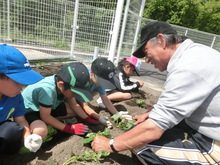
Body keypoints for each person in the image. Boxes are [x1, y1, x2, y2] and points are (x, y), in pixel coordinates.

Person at [91, 21, 220, 164]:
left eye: (146, 52)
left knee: (138, 142)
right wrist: (150, 113)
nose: (146, 60)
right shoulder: (196, 54)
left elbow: (152, 131)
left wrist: (110, 144)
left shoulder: (188, 67)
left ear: (161, 41)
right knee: (138, 133)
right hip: (207, 131)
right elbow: (178, 102)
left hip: (214, 144)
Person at [22, 62, 99, 140]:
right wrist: (69, 129)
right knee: (40, 131)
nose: (76, 95)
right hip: (31, 111)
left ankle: (52, 123)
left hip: (47, 107)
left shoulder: (65, 85)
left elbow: (74, 105)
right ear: (60, 84)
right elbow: (45, 116)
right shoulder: (47, 90)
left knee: (74, 111)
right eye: (75, 92)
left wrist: (87, 119)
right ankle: (39, 124)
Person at [0, 44, 44, 154]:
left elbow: (21, 120)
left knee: (13, 130)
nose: (22, 86)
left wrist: (28, 137)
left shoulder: (15, 97)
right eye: (17, 81)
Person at [76, 58, 133, 128]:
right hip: (67, 99)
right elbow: (83, 105)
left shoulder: (97, 81)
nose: (104, 84)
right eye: (102, 81)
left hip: (82, 96)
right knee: (75, 110)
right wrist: (98, 117)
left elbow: (105, 99)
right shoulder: (82, 80)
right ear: (92, 74)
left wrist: (116, 114)